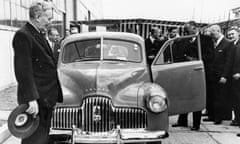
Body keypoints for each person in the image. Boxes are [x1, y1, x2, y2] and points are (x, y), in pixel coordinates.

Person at [12, 2, 63, 144]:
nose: (49, 22)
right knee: (34, 140)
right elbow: (23, 70)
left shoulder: (37, 34)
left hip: (45, 99)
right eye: (48, 18)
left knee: (43, 138)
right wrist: (30, 99)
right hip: (36, 101)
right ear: (37, 17)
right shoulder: (23, 35)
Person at [172, 21, 215, 131]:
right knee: (184, 96)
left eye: (187, 29)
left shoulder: (206, 39)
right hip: (186, 72)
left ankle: (196, 124)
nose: (185, 31)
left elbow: (210, 55)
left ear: (195, 28)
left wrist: (196, 60)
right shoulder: (184, 40)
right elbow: (179, 55)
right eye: (185, 30)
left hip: (199, 71)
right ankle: (182, 120)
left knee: (197, 97)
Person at [208, 24, 235, 124]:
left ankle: (218, 118)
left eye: (212, 33)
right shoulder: (215, 43)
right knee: (214, 96)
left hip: (221, 75)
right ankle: (213, 115)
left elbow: (229, 62)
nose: (211, 35)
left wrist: (225, 75)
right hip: (214, 75)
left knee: (220, 97)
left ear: (218, 31)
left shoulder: (228, 43)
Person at [227, 27, 240, 126]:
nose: (231, 36)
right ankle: (237, 119)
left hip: (238, 76)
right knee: (235, 100)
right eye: (229, 35)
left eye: (233, 34)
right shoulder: (232, 45)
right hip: (233, 78)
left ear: (238, 34)